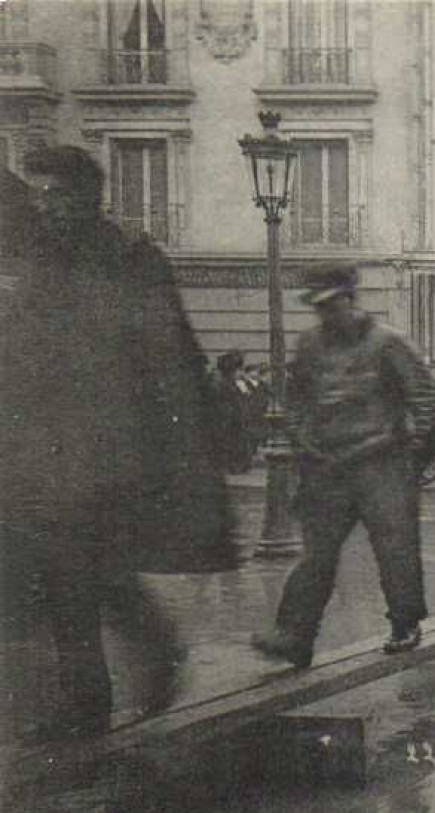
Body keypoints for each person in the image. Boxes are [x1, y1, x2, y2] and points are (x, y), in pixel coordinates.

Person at [2, 148, 235, 743]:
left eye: (56, 194)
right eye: (38, 195)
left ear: (89, 196)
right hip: (46, 444)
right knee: (74, 575)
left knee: (84, 571)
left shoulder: (129, 257)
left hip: (113, 445)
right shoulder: (37, 259)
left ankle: (107, 689)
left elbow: (169, 352)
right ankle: (111, 684)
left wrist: (176, 441)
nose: (44, 206)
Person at [251, 263, 435, 668]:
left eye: (331, 304)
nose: (325, 314)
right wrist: (303, 441)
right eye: (318, 307)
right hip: (328, 467)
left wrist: (413, 462)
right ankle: (294, 636)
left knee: (396, 550)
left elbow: (427, 404)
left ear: (349, 299)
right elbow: (296, 401)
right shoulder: (309, 345)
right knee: (315, 555)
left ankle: (404, 624)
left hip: (383, 463)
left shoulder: (388, 343)